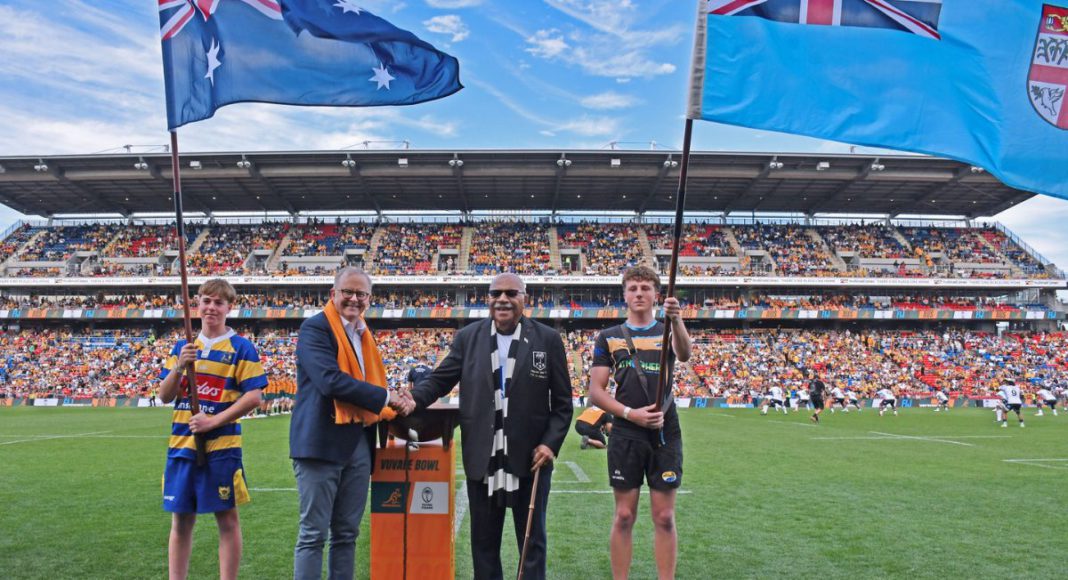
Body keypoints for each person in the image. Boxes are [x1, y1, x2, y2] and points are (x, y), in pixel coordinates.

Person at [405, 273, 573, 580]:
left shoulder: (547, 339)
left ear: (525, 298)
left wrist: (550, 444)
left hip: (530, 457)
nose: (503, 299)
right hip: (483, 457)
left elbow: (563, 404)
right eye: (496, 293)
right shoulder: (468, 337)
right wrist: (412, 399)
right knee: (483, 545)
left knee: (532, 542)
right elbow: (441, 380)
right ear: (488, 298)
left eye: (512, 293)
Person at [289, 267, 409, 580]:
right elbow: (330, 382)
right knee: (313, 534)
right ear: (333, 294)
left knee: (346, 534)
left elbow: (365, 384)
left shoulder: (362, 334)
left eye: (361, 294)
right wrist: (387, 397)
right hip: (321, 443)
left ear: (369, 299)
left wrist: (396, 398)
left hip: (358, 441)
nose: (353, 299)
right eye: (347, 292)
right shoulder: (315, 329)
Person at [158, 278, 267, 580]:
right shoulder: (183, 346)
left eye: (219, 302)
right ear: (198, 304)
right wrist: (180, 365)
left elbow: (255, 396)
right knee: (180, 521)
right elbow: (165, 395)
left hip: (222, 449)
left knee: (227, 519)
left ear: (229, 307)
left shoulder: (241, 347)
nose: (211, 308)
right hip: (182, 447)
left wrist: (213, 422)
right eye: (206, 301)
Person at [588, 265, 692, 580]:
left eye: (646, 288)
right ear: (624, 295)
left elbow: (684, 354)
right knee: (623, 515)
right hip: (626, 431)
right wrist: (631, 414)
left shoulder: (666, 330)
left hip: (664, 431)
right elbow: (596, 392)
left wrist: (676, 319)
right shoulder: (608, 337)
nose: (639, 294)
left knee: (664, 516)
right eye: (633, 288)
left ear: (656, 295)